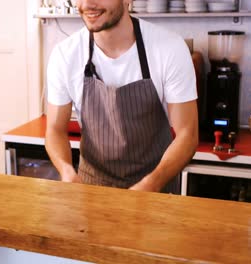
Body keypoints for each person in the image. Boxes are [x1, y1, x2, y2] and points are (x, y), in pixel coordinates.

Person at [45, 0, 198, 193]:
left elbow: (188, 134)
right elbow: (54, 129)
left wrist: (152, 183)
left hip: (156, 190)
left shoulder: (169, 47)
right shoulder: (65, 55)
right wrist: (66, 171)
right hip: (92, 191)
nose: (87, 4)